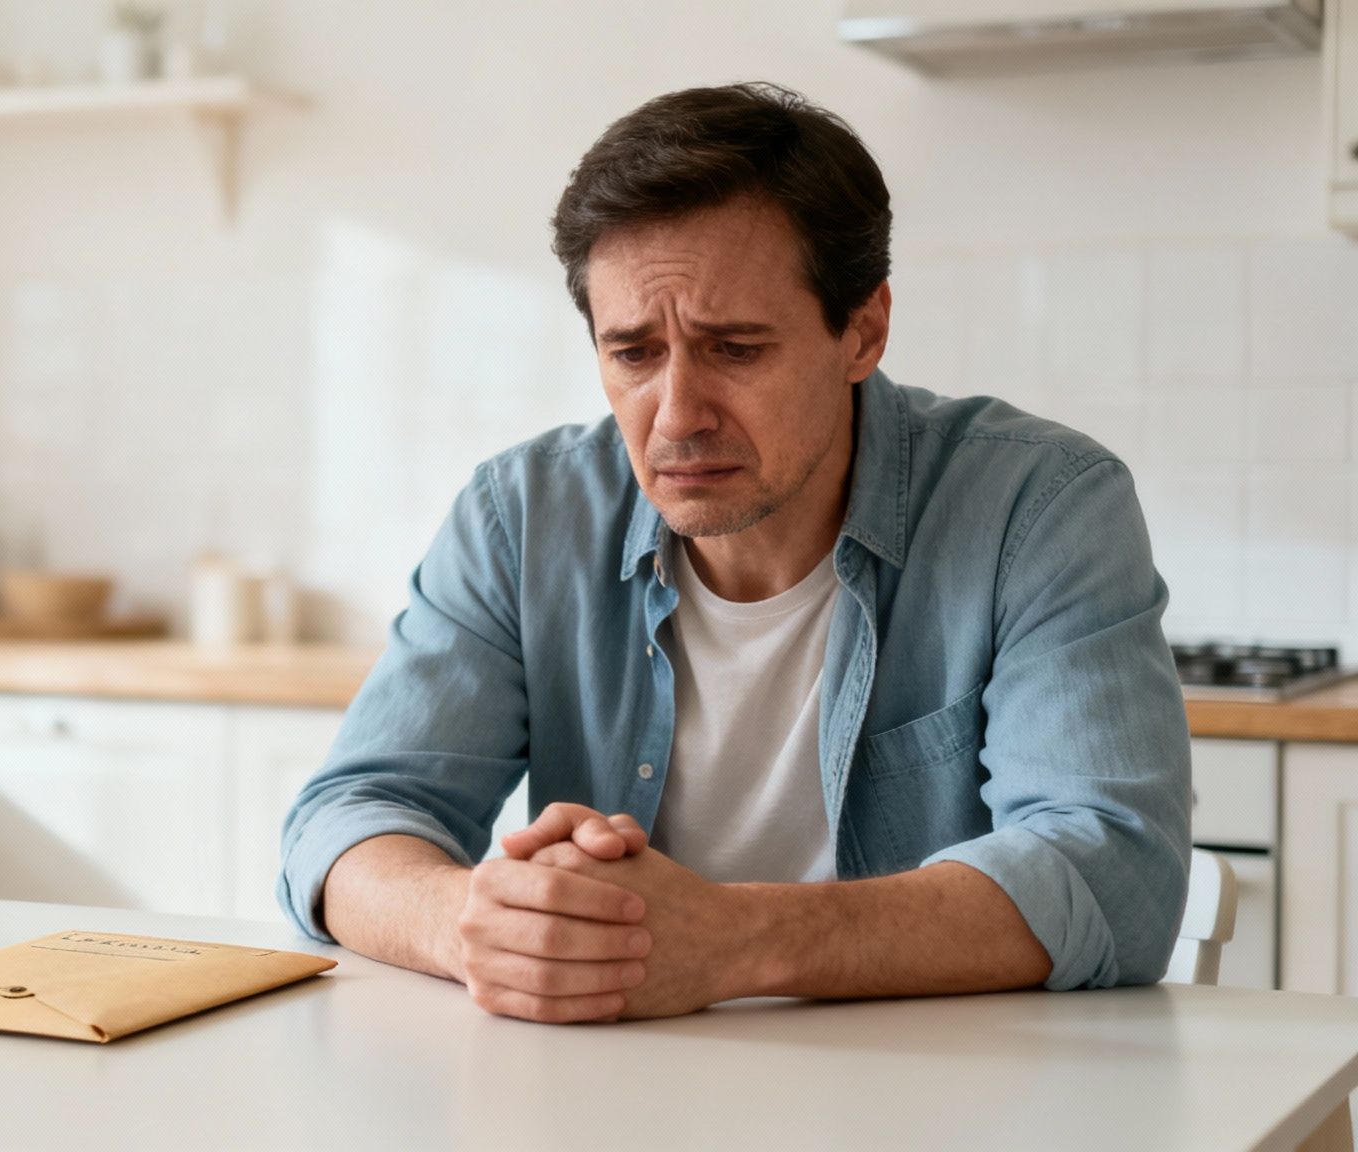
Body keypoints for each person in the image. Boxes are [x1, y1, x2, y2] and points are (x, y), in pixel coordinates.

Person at [276, 82, 1191, 1024]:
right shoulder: (524, 514)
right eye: (633, 354)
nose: (676, 417)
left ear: (863, 330)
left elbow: (1112, 870)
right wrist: (468, 920)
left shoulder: (1037, 505)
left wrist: (733, 941)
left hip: (939, 1092)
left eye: (736, 349)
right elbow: (347, 820)